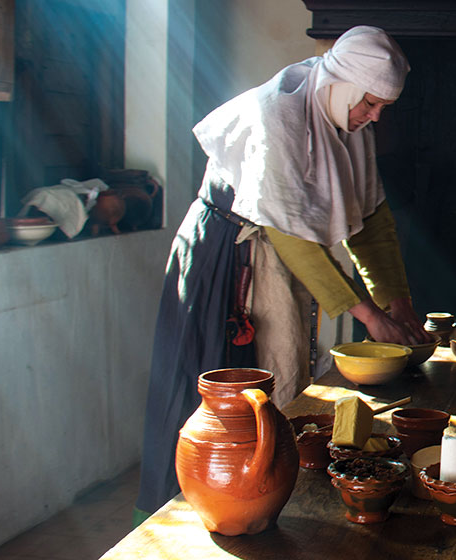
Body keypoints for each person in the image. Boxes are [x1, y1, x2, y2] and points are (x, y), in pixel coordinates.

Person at [134, 26, 427, 522]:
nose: (375, 116)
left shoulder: (349, 126)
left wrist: (398, 304)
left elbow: (373, 222)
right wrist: (369, 317)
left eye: (383, 107)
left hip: (279, 255)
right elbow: (289, 235)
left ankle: (271, 502)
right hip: (227, 259)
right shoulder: (279, 115)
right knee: (223, 396)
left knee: (278, 386)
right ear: (343, 84)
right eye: (370, 104)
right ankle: (196, 513)